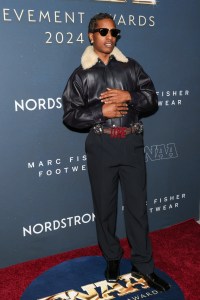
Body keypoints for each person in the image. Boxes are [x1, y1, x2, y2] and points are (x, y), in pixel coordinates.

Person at [62, 13, 170, 292]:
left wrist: (129, 97)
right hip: (102, 146)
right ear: (91, 36)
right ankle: (111, 256)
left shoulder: (131, 67)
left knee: (137, 209)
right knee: (105, 209)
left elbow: (152, 99)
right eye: (103, 31)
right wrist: (102, 112)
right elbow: (70, 115)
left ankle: (144, 265)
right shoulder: (81, 75)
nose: (109, 36)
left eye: (114, 32)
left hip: (132, 145)